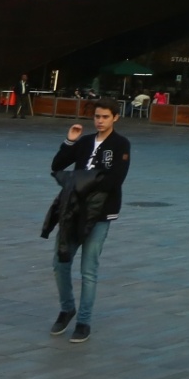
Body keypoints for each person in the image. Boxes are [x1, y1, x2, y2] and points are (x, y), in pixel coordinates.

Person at [46, 103, 131, 344]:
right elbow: (57, 166)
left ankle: (84, 321)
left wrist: (81, 182)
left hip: (102, 212)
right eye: (97, 116)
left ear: (115, 117)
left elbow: (115, 179)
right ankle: (67, 308)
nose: (100, 121)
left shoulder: (120, 144)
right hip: (73, 210)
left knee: (88, 268)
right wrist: (70, 141)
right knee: (60, 262)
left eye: (105, 117)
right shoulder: (84, 142)